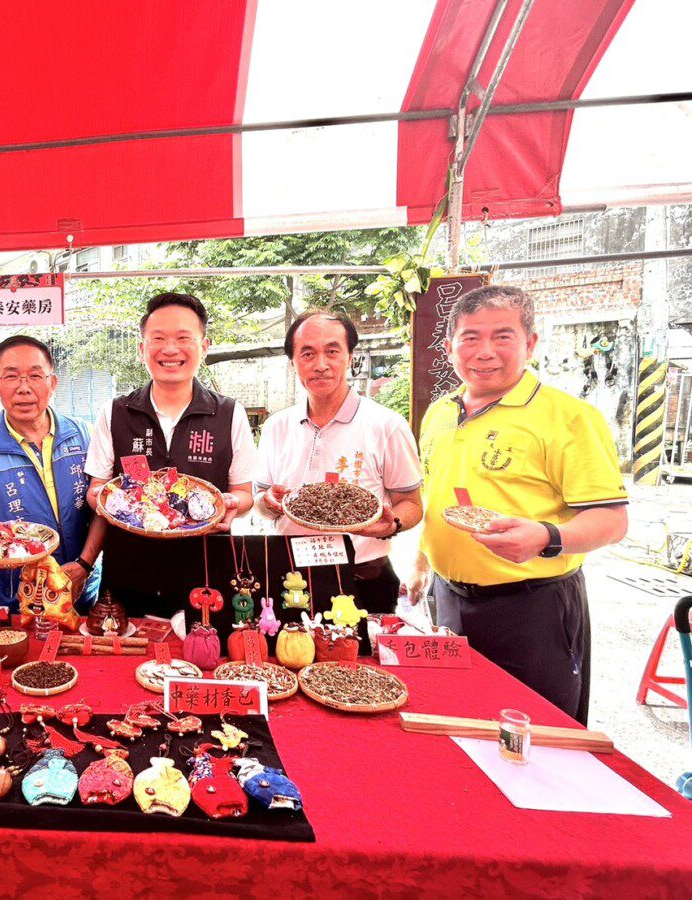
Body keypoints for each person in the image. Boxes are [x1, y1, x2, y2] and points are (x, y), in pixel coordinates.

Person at [409, 285, 628, 724]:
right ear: (451, 346)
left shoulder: (569, 417)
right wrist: (422, 563)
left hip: (532, 608)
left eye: (502, 337)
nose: (484, 352)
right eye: (470, 337)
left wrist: (548, 538)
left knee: (536, 731)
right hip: (448, 600)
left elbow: (613, 519)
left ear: (530, 343)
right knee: (459, 723)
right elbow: (437, 497)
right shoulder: (440, 413)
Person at [86, 292, 257, 617]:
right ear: (142, 350)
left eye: (183, 338)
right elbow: (97, 489)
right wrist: (105, 500)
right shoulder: (115, 412)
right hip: (128, 578)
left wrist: (231, 504)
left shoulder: (230, 414)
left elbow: (244, 494)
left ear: (203, 347)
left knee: (205, 659)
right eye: (158, 338)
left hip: (207, 578)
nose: (169, 349)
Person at [254, 310, 423, 613]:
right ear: (293, 362)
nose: (321, 365)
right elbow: (261, 502)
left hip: (362, 578)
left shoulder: (387, 425)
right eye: (307, 354)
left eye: (332, 351)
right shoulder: (277, 426)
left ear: (350, 356)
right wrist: (267, 502)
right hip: (289, 577)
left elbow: (411, 502)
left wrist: (390, 525)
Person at [0, 335, 104, 610]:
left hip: (82, 586)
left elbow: (102, 509)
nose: (24, 388)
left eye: (36, 376)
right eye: (11, 377)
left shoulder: (85, 435)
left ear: (53, 383)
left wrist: (84, 565)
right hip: (19, 596)